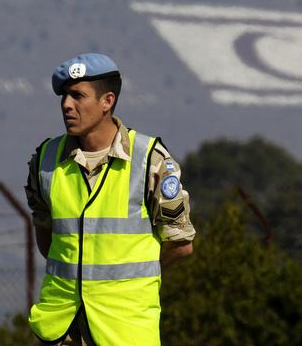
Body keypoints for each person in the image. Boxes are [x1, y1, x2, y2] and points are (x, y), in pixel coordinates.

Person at [24, 52, 196, 345]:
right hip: (61, 329)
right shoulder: (45, 160)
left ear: (107, 102)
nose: (67, 105)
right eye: (64, 96)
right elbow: (47, 241)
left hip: (124, 329)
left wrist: (127, 282)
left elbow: (180, 245)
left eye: (78, 96)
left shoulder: (149, 160)